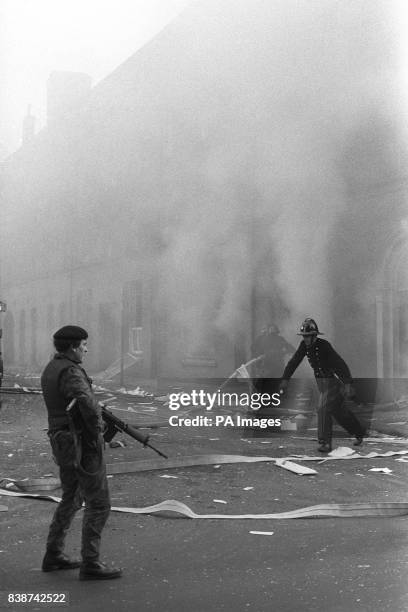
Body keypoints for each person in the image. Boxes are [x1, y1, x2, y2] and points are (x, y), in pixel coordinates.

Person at [40, 325, 122, 580]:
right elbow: (86, 405)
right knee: (98, 504)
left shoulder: (53, 367)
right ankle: (91, 563)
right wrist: (100, 432)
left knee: (72, 497)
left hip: (63, 441)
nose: (86, 349)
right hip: (81, 444)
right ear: (74, 346)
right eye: (84, 344)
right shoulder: (71, 372)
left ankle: (53, 554)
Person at [279, 318, 364, 453]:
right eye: (304, 336)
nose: (306, 339)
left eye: (308, 336)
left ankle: (325, 443)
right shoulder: (304, 346)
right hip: (322, 384)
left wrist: (348, 384)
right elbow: (294, 362)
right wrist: (285, 380)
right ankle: (359, 433)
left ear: (314, 335)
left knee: (322, 409)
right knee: (339, 412)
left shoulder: (324, 345)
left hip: (333, 383)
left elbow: (340, 364)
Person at [251, 322, 294, 394]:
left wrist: (284, 352)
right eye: (271, 329)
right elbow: (254, 349)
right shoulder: (264, 339)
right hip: (269, 366)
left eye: (273, 330)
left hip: (275, 366)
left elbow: (290, 348)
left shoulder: (278, 339)